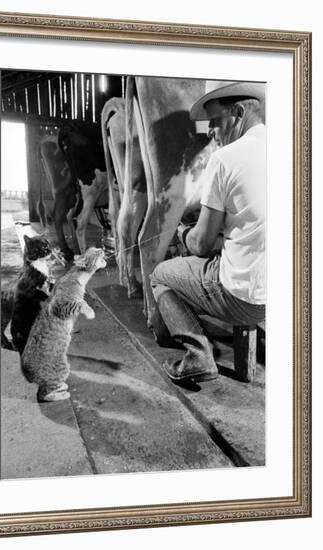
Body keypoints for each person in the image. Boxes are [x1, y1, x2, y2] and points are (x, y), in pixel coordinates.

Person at [149, 81, 266, 382]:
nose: (211, 132)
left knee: (161, 275)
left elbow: (200, 245)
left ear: (238, 112)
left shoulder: (225, 158)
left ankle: (197, 355)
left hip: (246, 298)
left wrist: (183, 234)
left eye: (215, 122)